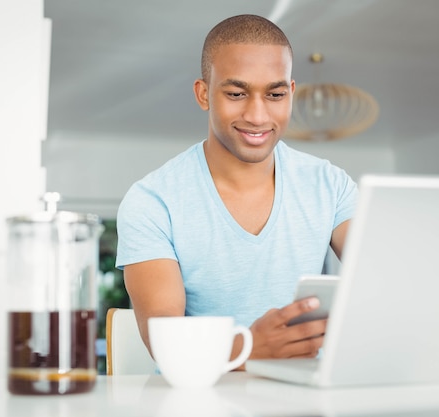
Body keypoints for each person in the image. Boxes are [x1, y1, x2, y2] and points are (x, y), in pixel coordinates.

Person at [115, 14, 358, 368]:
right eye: (236, 93)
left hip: (305, 399)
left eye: (274, 94)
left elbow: (384, 281)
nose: (258, 115)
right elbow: (165, 342)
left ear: (291, 94)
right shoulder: (152, 201)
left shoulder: (331, 185)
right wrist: (251, 349)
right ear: (204, 94)